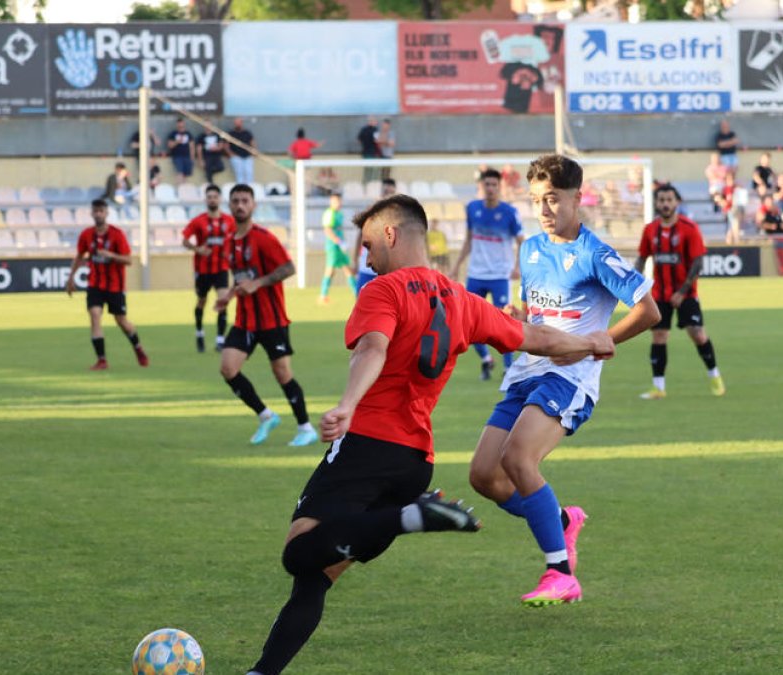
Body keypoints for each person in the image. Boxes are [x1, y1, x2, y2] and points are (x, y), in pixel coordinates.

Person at [243, 193, 615, 675]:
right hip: (414, 462)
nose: (367, 257)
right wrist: (589, 341)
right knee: (314, 579)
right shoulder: (461, 299)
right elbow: (534, 338)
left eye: (369, 244)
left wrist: (348, 405)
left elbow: (371, 350)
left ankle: (410, 517)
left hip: (365, 448)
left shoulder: (383, 291)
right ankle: (262, 671)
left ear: (391, 235)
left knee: (298, 553)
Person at [467, 154, 659, 607]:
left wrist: (601, 341)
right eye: (536, 200)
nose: (544, 209)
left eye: (552, 199)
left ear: (577, 198)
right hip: (525, 371)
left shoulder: (595, 253)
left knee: (518, 459)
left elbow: (648, 310)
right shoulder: (530, 249)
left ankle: (560, 573)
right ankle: (562, 520)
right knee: (483, 477)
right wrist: (509, 317)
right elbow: (532, 312)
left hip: (570, 378)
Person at [215, 184, 316, 447]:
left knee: (282, 373)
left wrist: (259, 283)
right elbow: (241, 278)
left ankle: (305, 427)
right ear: (230, 205)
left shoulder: (264, 238)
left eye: (245, 201)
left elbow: (289, 268)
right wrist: (228, 296)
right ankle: (265, 415)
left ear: (253, 205)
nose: (240, 205)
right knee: (228, 368)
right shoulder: (229, 242)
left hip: (272, 319)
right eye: (235, 201)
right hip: (245, 320)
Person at [635, 183, 725, 400]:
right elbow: (642, 257)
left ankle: (715, 376)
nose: (665, 204)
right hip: (660, 293)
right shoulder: (650, 229)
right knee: (659, 336)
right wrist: (633, 284)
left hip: (686, 293)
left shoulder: (689, 228)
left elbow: (698, 263)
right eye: (661, 200)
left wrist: (682, 291)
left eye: (669, 200)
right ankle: (659, 387)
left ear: (677, 202)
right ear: (656, 203)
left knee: (697, 333)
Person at [450, 168, 524, 380]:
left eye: (494, 185)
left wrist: (517, 267)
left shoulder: (510, 213)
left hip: (500, 275)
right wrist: (456, 266)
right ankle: (486, 359)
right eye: (487, 185)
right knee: (467, 323)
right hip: (476, 275)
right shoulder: (472, 208)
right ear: (481, 187)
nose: (490, 189)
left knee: (504, 322)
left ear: (499, 187)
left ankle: (508, 367)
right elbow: (468, 240)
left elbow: (521, 242)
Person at [67, 200, 149, 371]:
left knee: (121, 321)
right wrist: (71, 277)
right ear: (91, 213)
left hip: (115, 287)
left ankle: (138, 348)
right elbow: (80, 256)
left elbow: (128, 260)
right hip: (94, 284)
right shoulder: (86, 235)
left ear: (106, 213)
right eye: (95, 211)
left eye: (101, 211)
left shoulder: (117, 235)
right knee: (95, 315)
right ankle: (102, 360)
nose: (98, 214)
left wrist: (110, 255)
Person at [182, 184, 235, 352]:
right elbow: (184, 240)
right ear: (206, 200)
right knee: (201, 302)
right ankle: (199, 333)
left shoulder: (229, 221)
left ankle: (220, 340)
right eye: (209, 197)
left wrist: (232, 254)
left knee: (223, 301)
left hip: (221, 268)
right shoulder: (199, 221)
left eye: (215, 197)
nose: (212, 199)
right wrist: (198, 249)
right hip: (203, 269)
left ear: (220, 199)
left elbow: (236, 238)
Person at [351, 178, 396, 293]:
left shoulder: (398, 215)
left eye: (391, 193)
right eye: (386, 192)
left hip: (388, 271)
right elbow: (360, 236)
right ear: (381, 192)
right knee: (362, 305)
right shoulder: (372, 211)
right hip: (367, 269)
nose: (388, 196)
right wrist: (355, 260)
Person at [317, 192, 356, 304]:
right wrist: (339, 242)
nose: (338, 203)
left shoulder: (339, 213)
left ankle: (357, 294)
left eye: (339, 201)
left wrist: (343, 242)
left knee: (348, 269)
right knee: (330, 270)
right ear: (331, 202)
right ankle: (323, 295)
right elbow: (327, 230)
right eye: (335, 201)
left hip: (340, 245)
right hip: (333, 246)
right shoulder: (329, 213)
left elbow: (339, 229)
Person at [166, 118, 195, 185]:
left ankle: (184, 187)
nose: (180, 125)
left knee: (186, 174)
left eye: (182, 124)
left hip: (187, 156)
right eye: (179, 124)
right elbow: (170, 145)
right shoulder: (173, 134)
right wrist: (177, 141)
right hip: (177, 156)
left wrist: (192, 158)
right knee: (180, 172)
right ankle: (179, 186)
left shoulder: (188, 134)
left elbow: (192, 147)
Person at [228, 117, 256, 185]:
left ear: (241, 123)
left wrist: (253, 152)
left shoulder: (247, 133)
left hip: (247, 156)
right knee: (239, 174)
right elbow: (226, 145)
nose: (237, 124)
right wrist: (231, 154)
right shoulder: (231, 133)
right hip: (236, 156)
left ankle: (250, 189)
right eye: (236, 123)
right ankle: (240, 189)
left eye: (239, 122)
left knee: (249, 173)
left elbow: (252, 143)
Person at [357, 116, 380, 182]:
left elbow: (358, 140)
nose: (376, 123)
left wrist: (365, 144)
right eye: (375, 121)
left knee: (367, 170)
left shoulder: (363, 129)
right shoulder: (375, 130)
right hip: (372, 153)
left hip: (365, 153)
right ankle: (371, 184)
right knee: (373, 170)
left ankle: (366, 184)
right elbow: (377, 141)